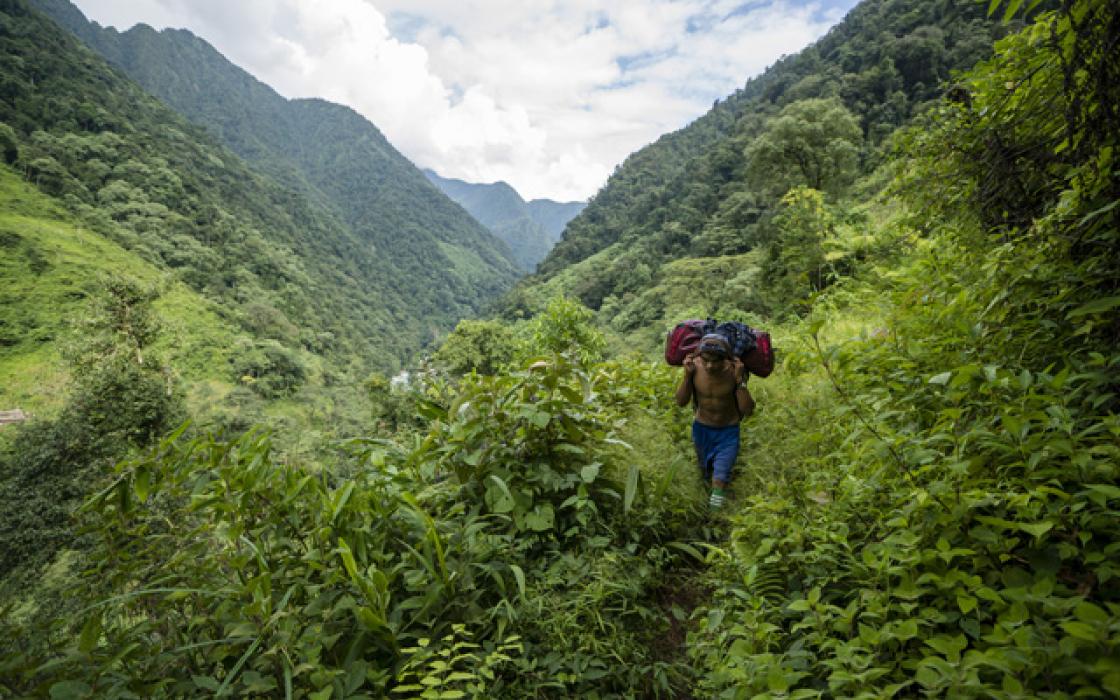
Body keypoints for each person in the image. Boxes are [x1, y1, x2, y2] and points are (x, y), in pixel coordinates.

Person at [674, 333, 755, 509]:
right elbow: (680, 402)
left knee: (720, 477)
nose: (710, 366)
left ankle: (715, 516)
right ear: (699, 357)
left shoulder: (734, 371)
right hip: (701, 429)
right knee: (704, 473)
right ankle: (703, 509)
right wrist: (687, 377)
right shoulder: (694, 368)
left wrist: (740, 381)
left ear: (725, 359)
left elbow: (747, 410)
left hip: (728, 432)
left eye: (715, 361)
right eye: (705, 360)